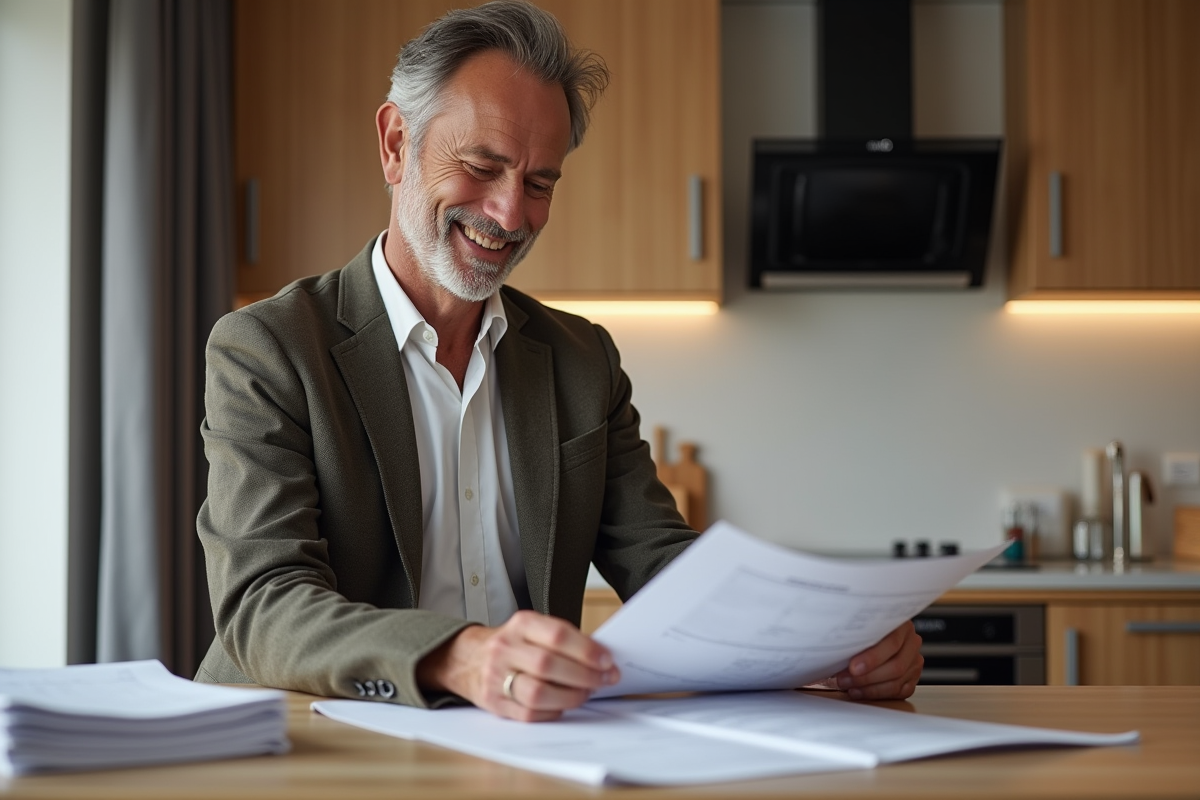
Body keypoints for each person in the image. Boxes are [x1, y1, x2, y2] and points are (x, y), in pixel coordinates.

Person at [194, 0, 922, 721]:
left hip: (523, 746)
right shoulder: (269, 348)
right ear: (395, 144)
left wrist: (824, 643)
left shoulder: (581, 360)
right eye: (483, 166)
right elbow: (264, 604)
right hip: (315, 745)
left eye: (540, 183)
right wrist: (462, 656)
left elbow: (662, 562)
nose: (511, 215)